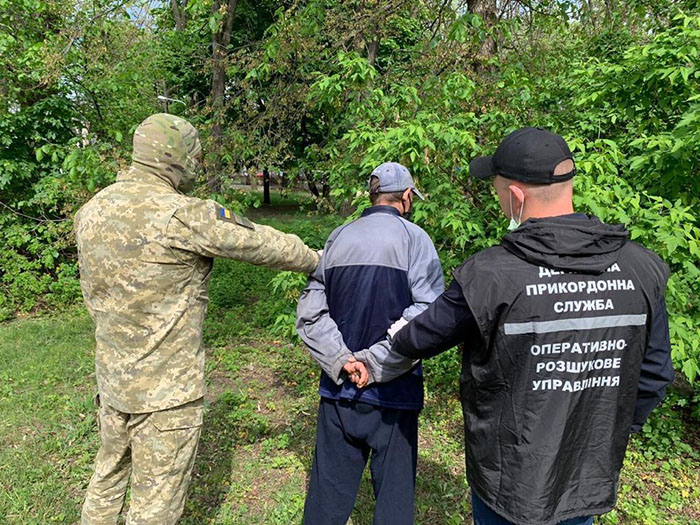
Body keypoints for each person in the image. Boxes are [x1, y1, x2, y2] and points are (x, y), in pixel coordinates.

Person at [387, 127, 673, 525]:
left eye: (496, 190)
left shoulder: (490, 274)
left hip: (508, 482)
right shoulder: (642, 268)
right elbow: (655, 374)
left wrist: (396, 334)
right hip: (584, 477)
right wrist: (605, 430)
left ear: (516, 196)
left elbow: (418, 338)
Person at [75, 113, 320, 524]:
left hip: (113, 381)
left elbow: (92, 293)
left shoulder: (92, 210)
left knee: (107, 478)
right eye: (194, 155)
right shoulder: (183, 215)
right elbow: (259, 242)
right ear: (175, 156)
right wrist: (316, 260)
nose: (197, 165)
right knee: (154, 506)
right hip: (165, 395)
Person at [296, 162, 444, 525]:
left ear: (372, 195)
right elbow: (427, 313)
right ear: (406, 196)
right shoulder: (416, 239)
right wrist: (374, 362)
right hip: (394, 395)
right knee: (394, 504)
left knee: (325, 502)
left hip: (338, 390)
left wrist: (344, 360)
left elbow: (311, 313)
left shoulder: (338, 237)